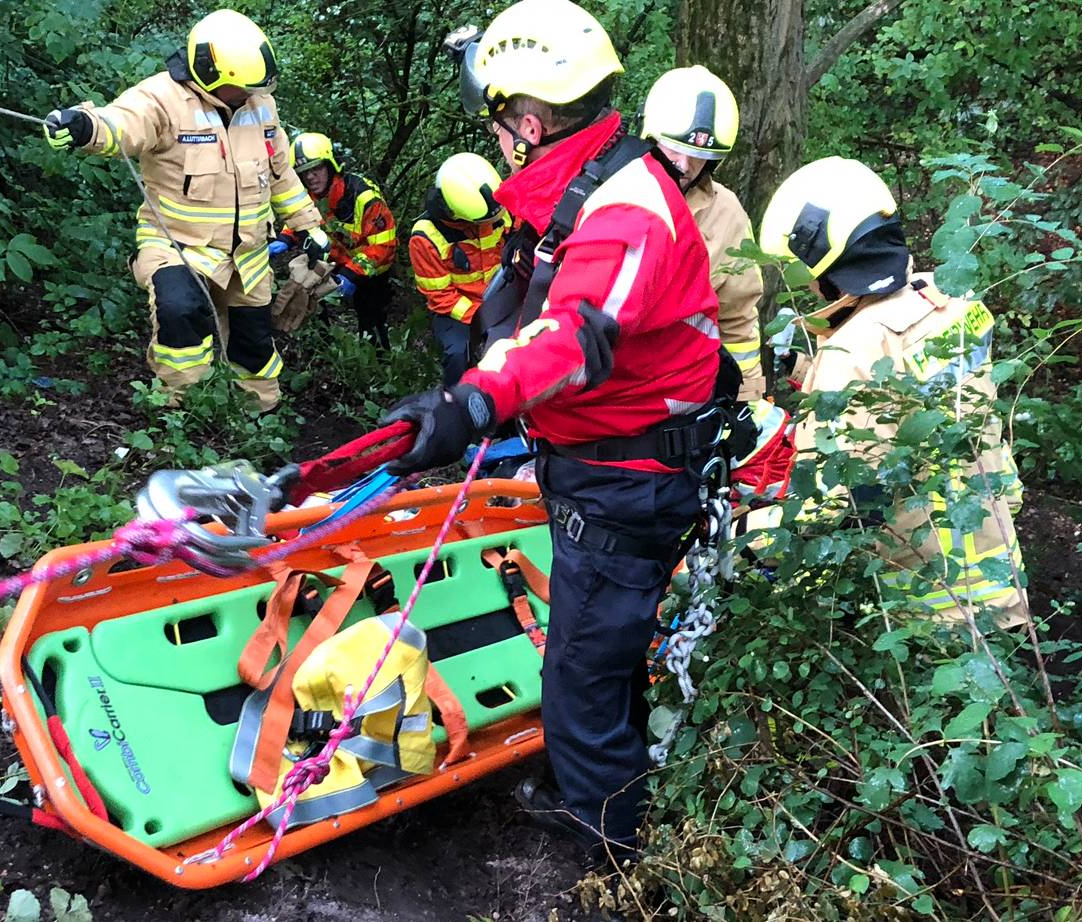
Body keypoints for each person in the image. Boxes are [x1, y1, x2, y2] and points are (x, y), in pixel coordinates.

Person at [379, 0, 725, 867]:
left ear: (528, 125)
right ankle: (617, 790)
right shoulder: (592, 180)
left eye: (498, 121)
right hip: (612, 469)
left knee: (579, 674)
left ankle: (611, 849)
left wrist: (473, 404)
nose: (497, 137)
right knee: (605, 656)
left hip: (628, 483)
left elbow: (574, 333)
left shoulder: (625, 210)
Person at [759, 157, 1031, 629]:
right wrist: (804, 367)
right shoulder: (945, 302)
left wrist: (744, 534)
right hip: (998, 568)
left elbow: (831, 502)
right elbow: (908, 389)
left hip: (928, 606)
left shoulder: (851, 351)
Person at [42, 10, 326, 412]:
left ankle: (260, 412)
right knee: (180, 312)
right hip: (176, 244)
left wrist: (308, 225)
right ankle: (182, 411)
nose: (248, 95)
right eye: (241, 87)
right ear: (209, 73)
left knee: (253, 342)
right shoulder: (160, 99)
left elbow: (279, 172)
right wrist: (84, 127)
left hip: (246, 254)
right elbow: (121, 124)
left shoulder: (261, 105)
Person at [639, 66, 768, 401]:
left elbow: (737, 321)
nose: (684, 164)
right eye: (674, 148)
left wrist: (747, 401)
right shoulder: (611, 192)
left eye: (698, 155)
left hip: (682, 395)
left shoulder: (726, 215)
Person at [407, 152, 510, 386]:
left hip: (502, 295)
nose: (487, 226)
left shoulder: (496, 209)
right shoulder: (426, 237)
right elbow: (440, 297)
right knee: (457, 355)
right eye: (480, 224)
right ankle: (456, 399)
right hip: (457, 310)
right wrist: (482, 318)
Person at [290, 132, 399, 349]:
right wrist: (285, 237)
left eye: (316, 169)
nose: (310, 177)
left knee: (371, 317)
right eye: (304, 173)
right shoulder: (310, 196)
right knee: (310, 296)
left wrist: (352, 273)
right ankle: (323, 346)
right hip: (336, 260)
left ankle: (378, 357)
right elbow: (300, 218)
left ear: (331, 166)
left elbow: (383, 247)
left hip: (370, 269)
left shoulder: (363, 196)